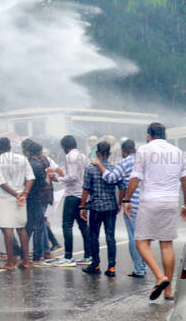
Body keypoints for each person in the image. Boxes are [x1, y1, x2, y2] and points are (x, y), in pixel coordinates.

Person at [126, 123, 186, 300]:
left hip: (150, 201)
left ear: (149, 135)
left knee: (141, 241)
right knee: (166, 244)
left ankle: (160, 277)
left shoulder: (144, 150)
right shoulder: (178, 152)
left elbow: (136, 177)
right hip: (170, 201)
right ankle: (168, 291)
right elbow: (184, 180)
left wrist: (127, 199)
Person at [95, 139, 146, 278]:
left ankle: (139, 269)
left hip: (132, 205)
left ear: (123, 151)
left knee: (134, 238)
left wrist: (100, 166)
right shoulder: (143, 160)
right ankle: (144, 265)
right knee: (144, 237)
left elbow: (111, 178)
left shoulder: (124, 163)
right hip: (147, 204)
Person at [79, 141, 124, 277]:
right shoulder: (115, 168)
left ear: (97, 153)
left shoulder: (90, 168)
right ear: (109, 154)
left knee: (94, 236)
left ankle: (96, 264)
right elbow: (122, 187)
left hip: (96, 207)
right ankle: (111, 267)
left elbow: (86, 189)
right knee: (110, 237)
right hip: (111, 206)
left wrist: (82, 206)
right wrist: (119, 203)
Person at [0, 137, 34, 270]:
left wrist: (16, 194)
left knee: (8, 228)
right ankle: (26, 260)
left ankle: (10, 263)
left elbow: (1, 182)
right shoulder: (22, 158)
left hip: (6, 198)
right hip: (21, 197)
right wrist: (24, 193)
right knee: (21, 229)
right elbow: (30, 177)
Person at [51, 135, 91, 267]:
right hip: (82, 194)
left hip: (72, 194)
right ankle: (88, 255)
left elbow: (72, 176)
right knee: (83, 225)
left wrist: (57, 179)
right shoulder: (83, 156)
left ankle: (68, 257)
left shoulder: (70, 156)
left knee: (67, 225)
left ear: (65, 146)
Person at [23, 141, 50, 267]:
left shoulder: (23, 163)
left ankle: (24, 254)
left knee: (27, 227)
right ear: (39, 152)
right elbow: (44, 185)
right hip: (35, 199)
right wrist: (49, 177)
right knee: (39, 227)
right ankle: (37, 256)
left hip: (24, 198)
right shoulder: (38, 166)